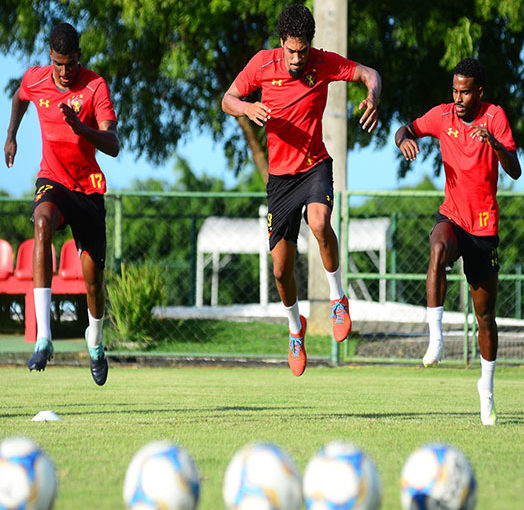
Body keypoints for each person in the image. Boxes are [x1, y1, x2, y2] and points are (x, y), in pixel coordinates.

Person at [222, 4, 381, 376]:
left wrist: (373, 97)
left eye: (302, 51)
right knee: (281, 271)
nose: (297, 58)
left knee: (320, 221)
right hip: (279, 180)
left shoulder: (322, 63)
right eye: (291, 51)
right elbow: (227, 99)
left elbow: (369, 73)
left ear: (310, 45)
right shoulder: (261, 64)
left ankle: (338, 297)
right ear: (281, 43)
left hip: (314, 166)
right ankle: (296, 329)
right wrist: (247, 108)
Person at [395, 58, 521, 425]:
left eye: (466, 91)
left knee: (485, 318)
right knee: (437, 248)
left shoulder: (494, 116)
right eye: (455, 90)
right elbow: (405, 128)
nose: (459, 97)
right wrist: (403, 140)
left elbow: (514, 167)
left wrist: (494, 143)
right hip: (452, 218)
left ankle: (487, 391)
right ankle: (435, 337)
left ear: (480, 91)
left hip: (483, 229)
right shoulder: (442, 116)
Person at [4, 22, 119, 386]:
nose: (65, 72)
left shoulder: (95, 86)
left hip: (87, 189)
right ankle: (43, 338)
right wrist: (10, 136)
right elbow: (20, 97)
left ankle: (96, 343)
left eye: (70, 64)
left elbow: (113, 144)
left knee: (93, 284)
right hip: (52, 179)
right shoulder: (36, 79)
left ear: (79, 58)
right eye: (58, 64)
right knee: (41, 223)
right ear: (49, 59)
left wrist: (80, 127)